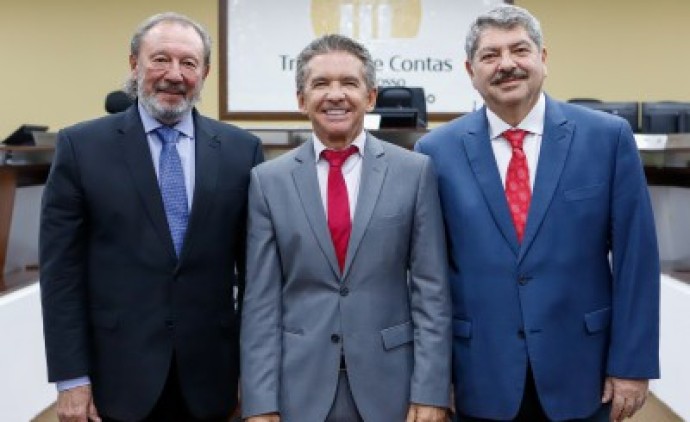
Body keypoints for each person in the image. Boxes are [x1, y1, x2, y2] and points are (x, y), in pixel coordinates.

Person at [416, 5, 660, 422]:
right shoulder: (435, 152)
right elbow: (428, 276)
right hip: (478, 375)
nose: (506, 64)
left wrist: (632, 365)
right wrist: (435, 378)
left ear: (543, 58)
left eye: (519, 50)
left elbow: (636, 261)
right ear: (470, 70)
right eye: (490, 55)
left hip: (583, 371)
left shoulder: (607, 139)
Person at [39, 12, 263, 422]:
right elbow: (61, 275)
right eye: (160, 59)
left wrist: (254, 376)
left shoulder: (242, 151)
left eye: (189, 63)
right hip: (115, 379)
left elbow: (256, 277)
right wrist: (71, 379)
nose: (174, 74)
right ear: (134, 64)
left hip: (214, 380)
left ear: (204, 73)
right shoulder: (81, 147)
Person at [240, 34, 451, 422]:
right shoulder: (268, 181)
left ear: (370, 97)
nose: (335, 95)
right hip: (297, 389)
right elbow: (260, 303)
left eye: (349, 83)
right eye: (320, 83)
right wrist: (260, 401)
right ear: (301, 99)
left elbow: (431, 293)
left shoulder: (414, 172)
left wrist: (432, 391)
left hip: (393, 388)